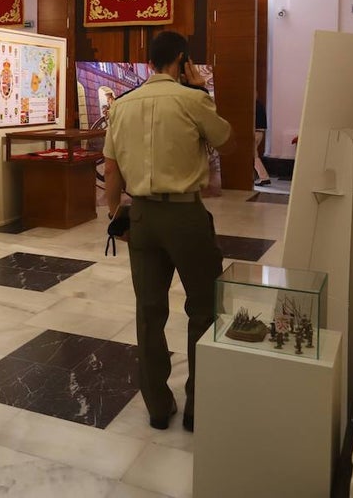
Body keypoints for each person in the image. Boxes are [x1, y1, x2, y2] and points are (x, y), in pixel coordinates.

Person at [102, 31, 232, 433]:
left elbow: (111, 169)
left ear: (149, 62)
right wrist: (203, 89)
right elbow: (224, 138)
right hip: (185, 218)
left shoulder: (121, 106)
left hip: (140, 214)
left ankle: (158, 406)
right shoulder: (193, 100)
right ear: (181, 60)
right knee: (204, 309)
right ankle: (198, 407)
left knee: (148, 312)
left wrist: (115, 216)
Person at [254, 97, 271, 186]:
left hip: (254, 132)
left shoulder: (252, 105)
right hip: (260, 132)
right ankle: (262, 177)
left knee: (253, 156)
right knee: (253, 156)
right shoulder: (260, 104)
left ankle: (264, 177)